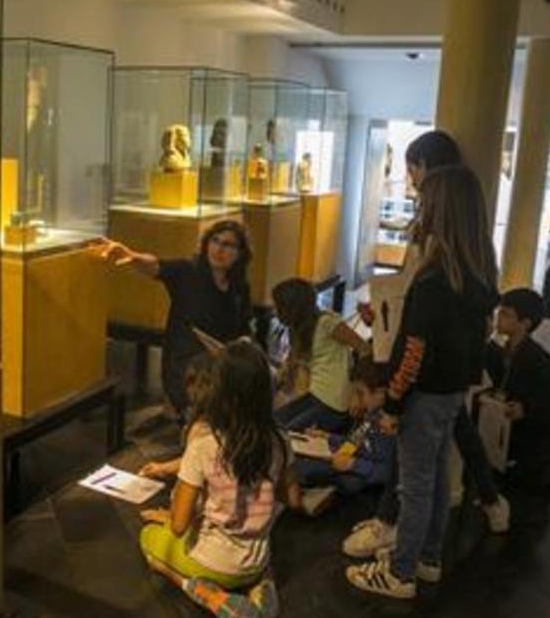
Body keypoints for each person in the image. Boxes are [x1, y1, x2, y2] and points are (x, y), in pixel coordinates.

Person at [342, 132, 510, 563]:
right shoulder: (473, 263)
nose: (411, 183)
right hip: (448, 376)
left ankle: (400, 561)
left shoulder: (439, 271)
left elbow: (417, 338)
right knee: (435, 466)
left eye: (414, 171)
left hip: (425, 379)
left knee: (416, 478)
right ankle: (432, 552)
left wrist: (394, 400)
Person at [138, 341, 301, 618]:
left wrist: (167, 517)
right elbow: (294, 500)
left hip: (211, 563)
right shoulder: (280, 441)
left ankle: (204, 592)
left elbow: (179, 526)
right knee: (253, 561)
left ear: (220, 392)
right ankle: (261, 582)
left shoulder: (203, 444)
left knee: (149, 542)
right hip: (256, 560)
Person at [99, 220, 254, 420]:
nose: (219, 249)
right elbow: (156, 266)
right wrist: (131, 256)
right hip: (187, 363)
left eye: (227, 245)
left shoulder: (239, 286)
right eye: (215, 241)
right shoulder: (188, 272)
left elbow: (243, 329)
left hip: (222, 361)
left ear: (240, 253)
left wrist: (243, 344)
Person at [486, 288, 550, 492]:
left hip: (541, 430)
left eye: (506, 314)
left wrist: (526, 407)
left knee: (524, 479)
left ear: (524, 324)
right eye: (500, 311)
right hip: (520, 425)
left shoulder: (536, 358)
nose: (499, 317)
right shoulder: (504, 350)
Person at [270, 278, 371, 434]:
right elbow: (289, 366)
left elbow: (365, 350)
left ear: (291, 307)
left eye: (278, 306)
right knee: (274, 423)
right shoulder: (298, 329)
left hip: (334, 402)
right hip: (316, 396)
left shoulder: (326, 323)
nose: (274, 311)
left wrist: (358, 391)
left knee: (287, 433)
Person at [291, 386, 396, 515]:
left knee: (350, 482)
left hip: (365, 473)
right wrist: (328, 437)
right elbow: (354, 441)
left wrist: (354, 464)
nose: (359, 400)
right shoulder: (372, 415)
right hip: (351, 458)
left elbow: (389, 472)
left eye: (362, 394)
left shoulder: (391, 426)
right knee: (303, 464)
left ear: (380, 393)